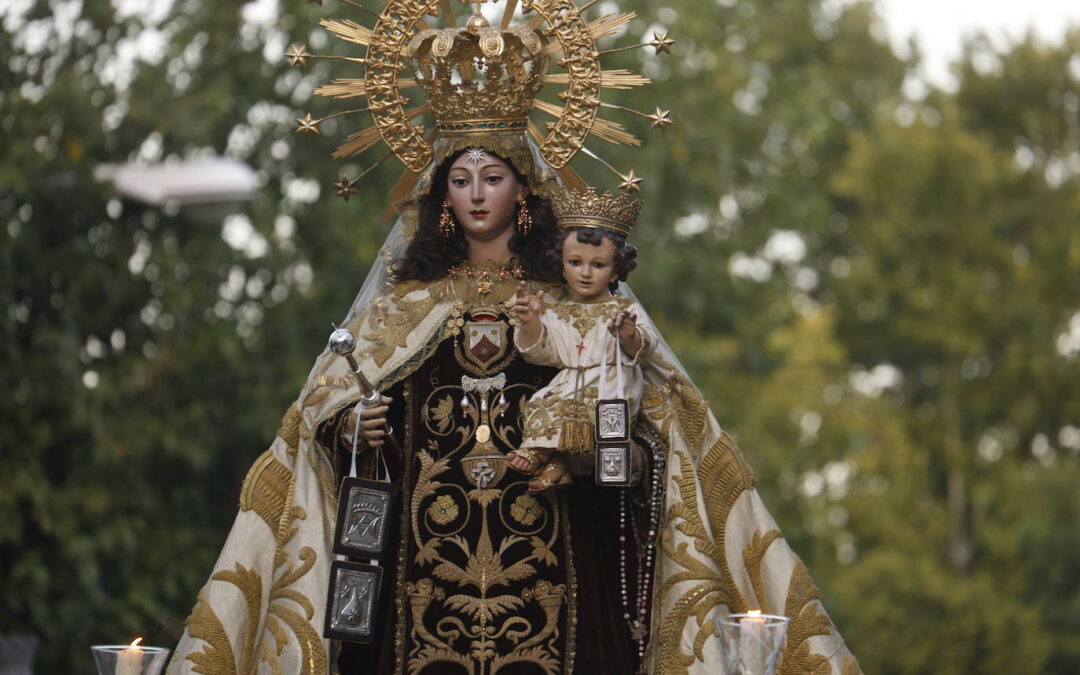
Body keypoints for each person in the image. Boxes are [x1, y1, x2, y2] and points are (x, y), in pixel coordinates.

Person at [167, 1, 862, 673]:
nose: (476, 193)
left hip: (563, 579)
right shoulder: (400, 313)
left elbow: (655, 442)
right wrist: (352, 426)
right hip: (416, 594)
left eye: (492, 177)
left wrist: (599, 447)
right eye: (461, 179)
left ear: (522, 192)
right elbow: (325, 422)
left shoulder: (576, 305)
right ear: (442, 196)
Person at [508, 189, 656, 492]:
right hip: (571, 380)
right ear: (561, 266)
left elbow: (644, 346)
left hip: (611, 381)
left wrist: (629, 334)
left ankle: (562, 459)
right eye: (575, 262)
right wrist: (531, 322)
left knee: (593, 414)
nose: (585, 273)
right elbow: (544, 351)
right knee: (542, 403)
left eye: (598, 265)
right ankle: (555, 463)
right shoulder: (560, 310)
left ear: (616, 271)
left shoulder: (624, 309)